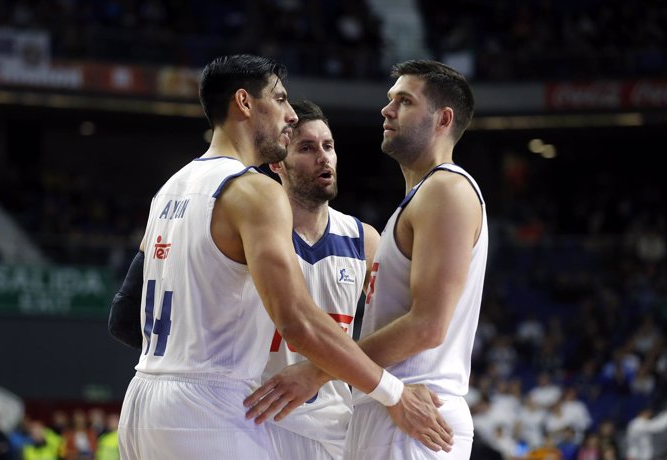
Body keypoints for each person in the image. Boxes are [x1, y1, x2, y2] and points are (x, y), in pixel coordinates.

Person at [108, 54, 452, 459]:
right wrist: (394, 394)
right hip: (211, 403)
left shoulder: (170, 188)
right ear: (244, 102)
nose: (290, 115)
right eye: (281, 99)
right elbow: (299, 322)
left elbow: (129, 314)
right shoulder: (254, 190)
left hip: (145, 398)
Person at [247, 59, 488, 459]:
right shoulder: (416, 201)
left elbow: (429, 326)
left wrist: (318, 371)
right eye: (390, 99)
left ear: (443, 119)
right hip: (376, 409)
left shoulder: (446, 189)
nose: (386, 109)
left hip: (413, 411)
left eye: (404, 101)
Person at [261, 99, 380, 459]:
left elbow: (392, 331)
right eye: (307, 148)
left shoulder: (365, 240)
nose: (323, 157)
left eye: (328, 146)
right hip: (258, 422)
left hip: (335, 430)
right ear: (276, 162)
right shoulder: (255, 234)